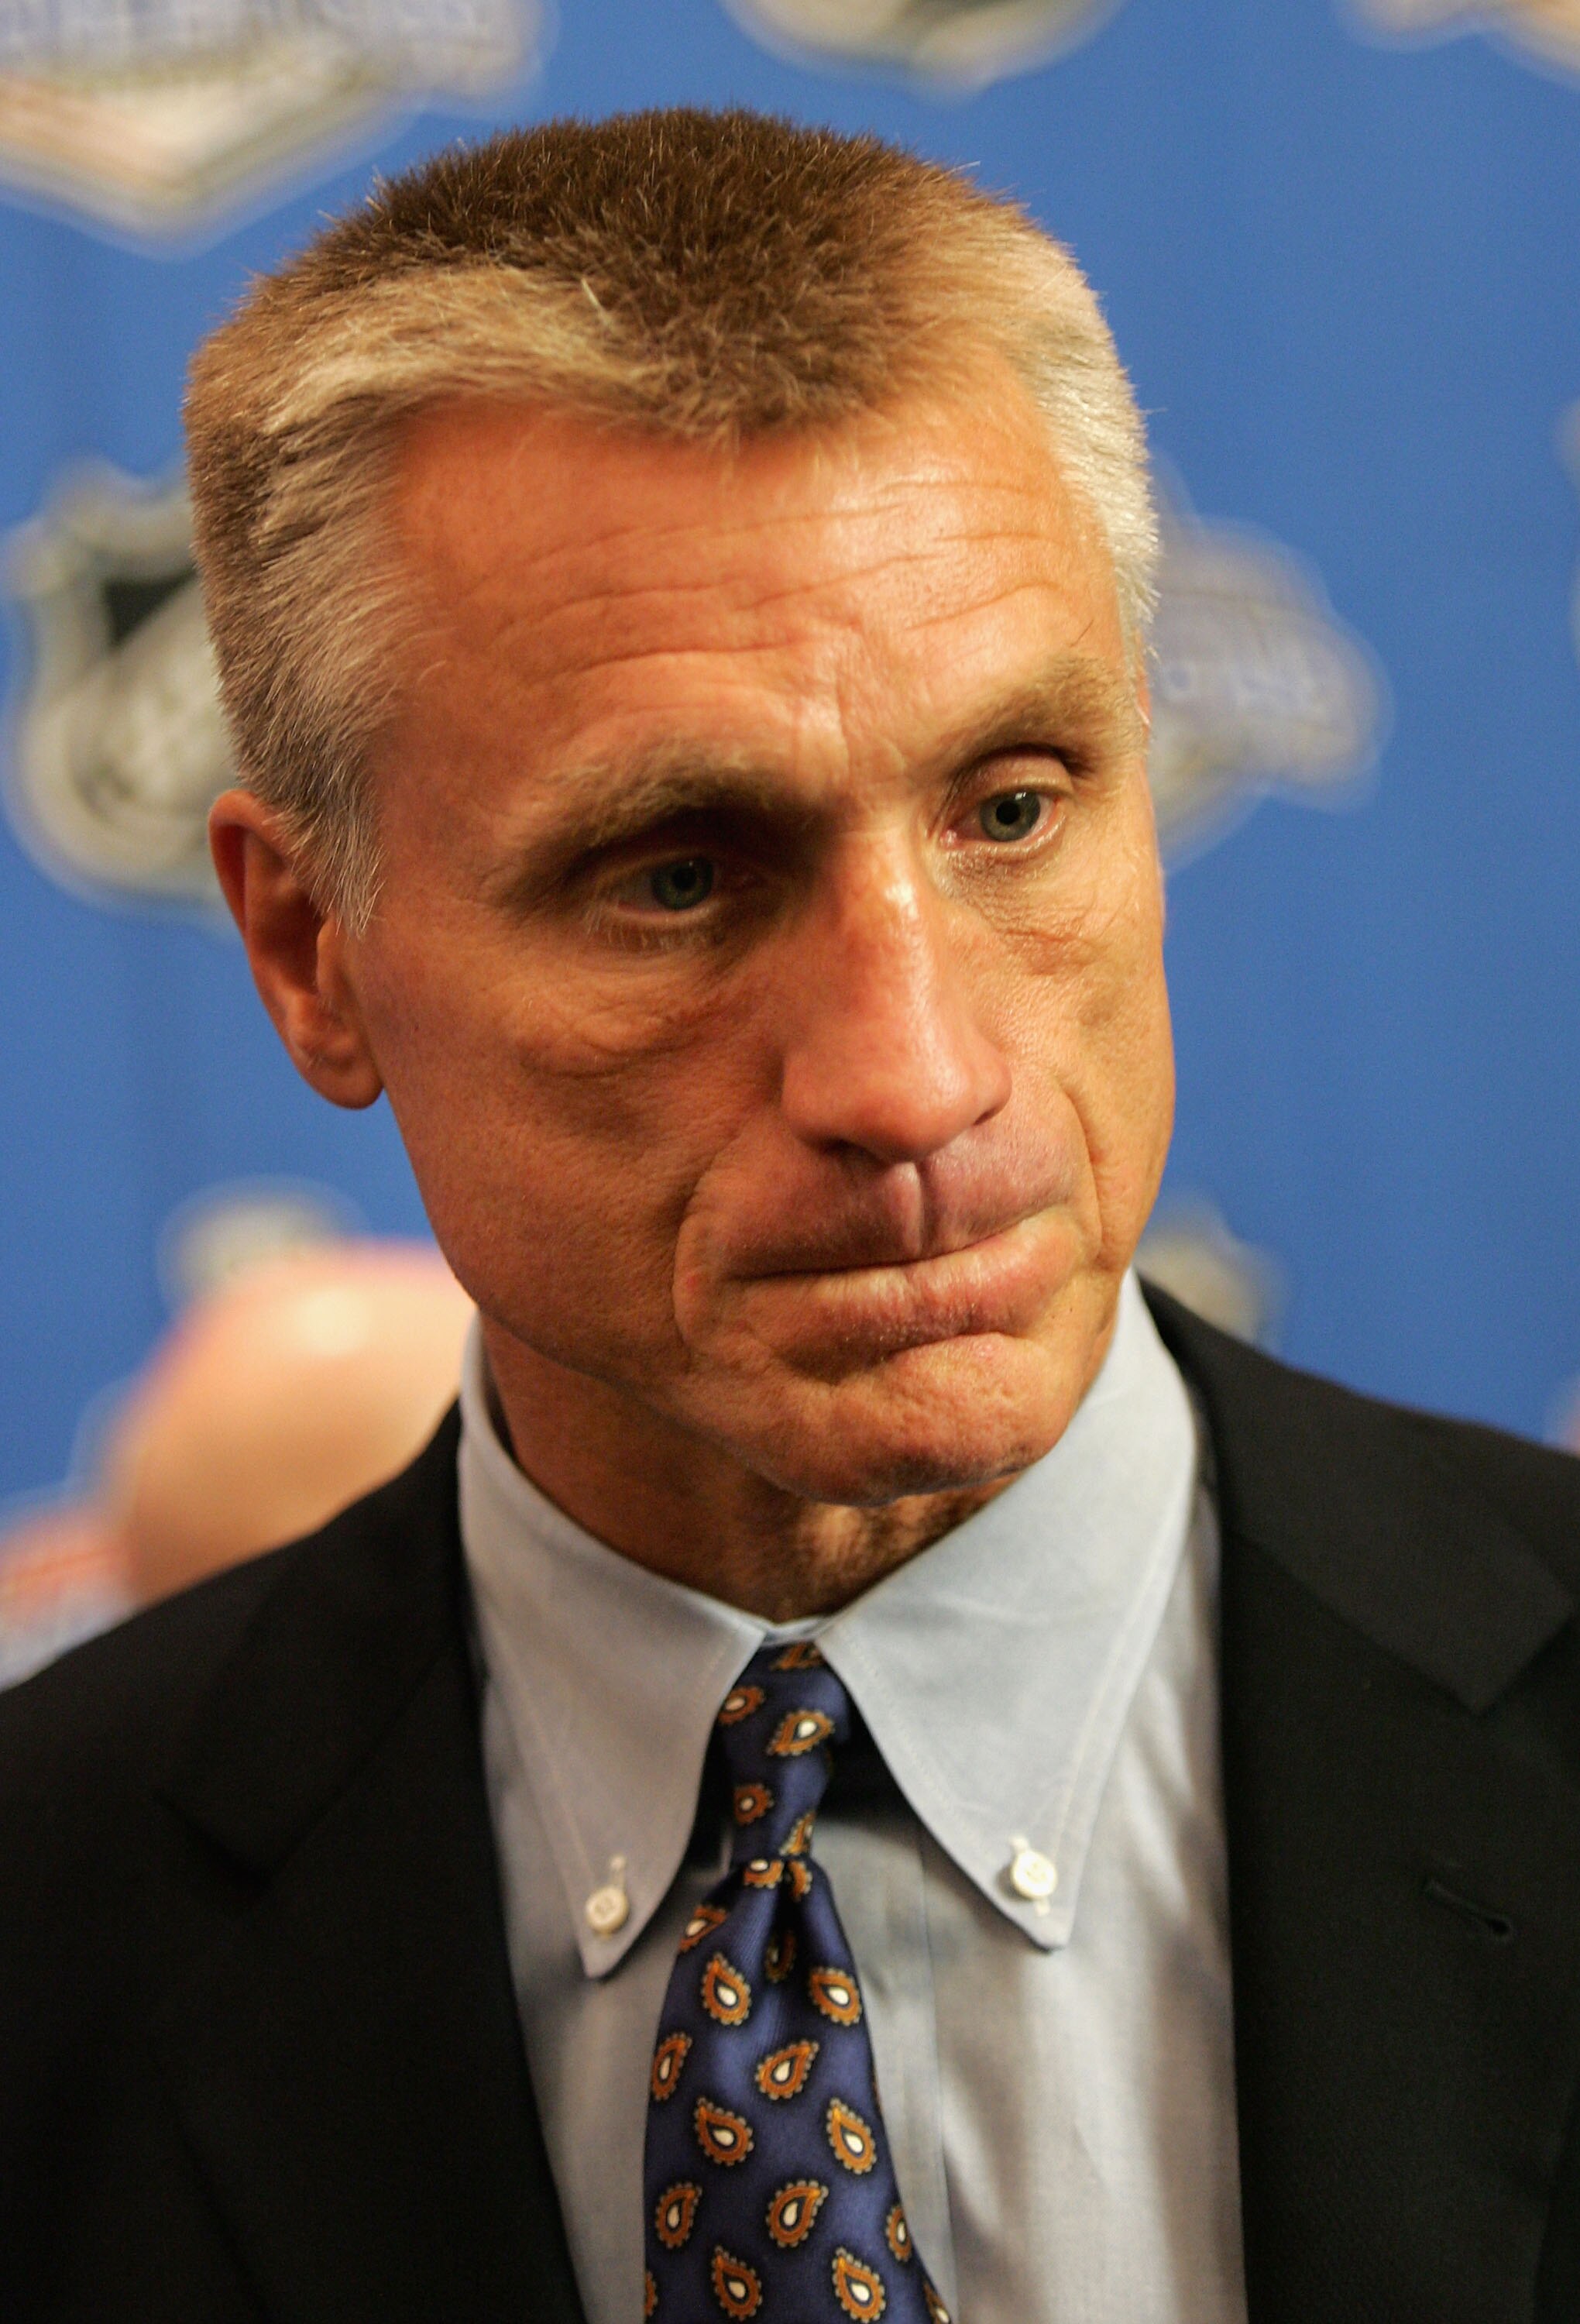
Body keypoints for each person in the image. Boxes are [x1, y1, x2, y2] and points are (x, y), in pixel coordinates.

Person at [3, 108, 1578, 2324]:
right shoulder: (45, 1935)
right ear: (310, 950)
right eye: (676, 876)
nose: (919, 1076)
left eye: (1013, 806)